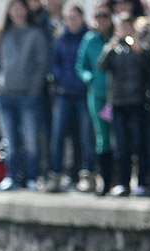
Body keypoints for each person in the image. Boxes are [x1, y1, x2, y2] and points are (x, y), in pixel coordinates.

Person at [0, 0, 51, 191]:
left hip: (28, 95)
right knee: (10, 141)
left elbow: (42, 64)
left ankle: (32, 177)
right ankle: (12, 176)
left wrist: (34, 88)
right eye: (13, 8)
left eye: (20, 7)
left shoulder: (36, 34)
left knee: (31, 140)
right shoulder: (3, 35)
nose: (17, 12)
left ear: (26, 10)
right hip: (5, 94)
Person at [98, 11, 150, 196]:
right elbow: (102, 66)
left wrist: (141, 52)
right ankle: (122, 182)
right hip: (119, 102)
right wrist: (110, 47)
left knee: (139, 144)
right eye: (122, 27)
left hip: (137, 101)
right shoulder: (113, 48)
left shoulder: (141, 47)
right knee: (121, 146)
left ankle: (142, 182)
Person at [47, 3, 95, 193]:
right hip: (64, 93)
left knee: (86, 137)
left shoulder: (89, 37)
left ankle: (88, 175)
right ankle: (56, 175)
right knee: (58, 136)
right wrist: (62, 79)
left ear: (82, 19)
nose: (72, 22)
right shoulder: (61, 37)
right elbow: (54, 63)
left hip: (84, 94)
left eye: (76, 18)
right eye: (69, 18)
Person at [77, 3, 114, 195]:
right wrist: (89, 78)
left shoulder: (119, 37)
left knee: (121, 138)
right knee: (102, 138)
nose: (101, 19)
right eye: (98, 16)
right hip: (98, 95)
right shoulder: (90, 40)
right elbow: (82, 66)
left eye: (105, 15)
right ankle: (105, 182)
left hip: (119, 97)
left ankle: (121, 181)